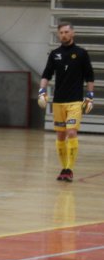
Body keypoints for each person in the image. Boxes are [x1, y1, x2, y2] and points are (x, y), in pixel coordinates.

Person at [39, 22, 95, 182]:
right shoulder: (54, 54)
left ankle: (69, 169)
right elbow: (46, 74)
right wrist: (42, 91)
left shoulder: (81, 53)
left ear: (73, 33)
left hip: (75, 101)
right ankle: (63, 168)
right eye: (61, 32)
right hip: (58, 101)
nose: (63, 35)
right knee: (60, 135)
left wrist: (90, 96)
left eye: (66, 32)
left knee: (71, 132)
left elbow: (89, 76)